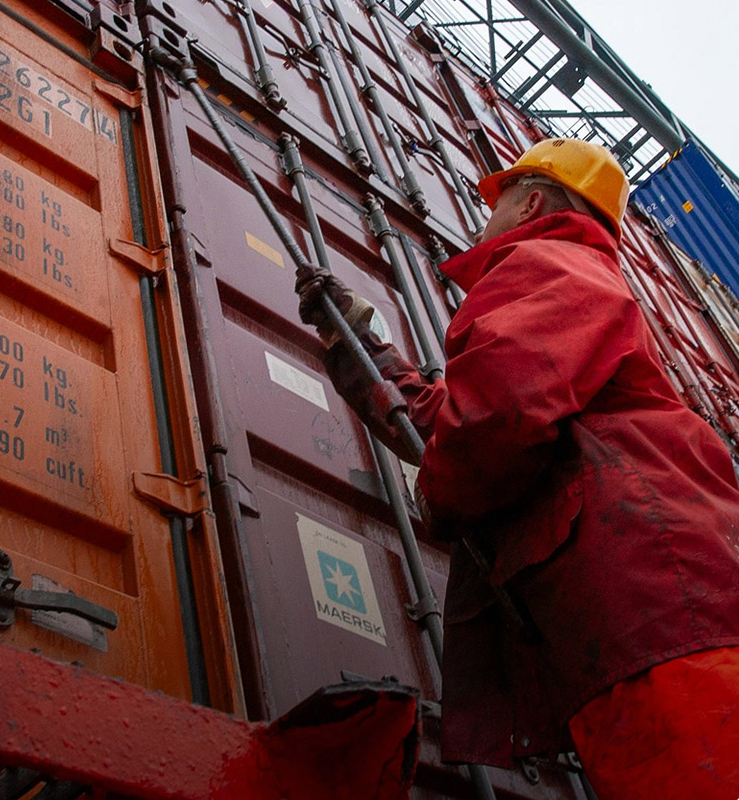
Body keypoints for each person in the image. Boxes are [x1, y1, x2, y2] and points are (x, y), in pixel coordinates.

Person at [295, 138, 739, 800]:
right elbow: (470, 419)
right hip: (653, 618)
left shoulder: (550, 261)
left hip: (663, 617)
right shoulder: (581, 285)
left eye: (496, 199)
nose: (485, 217)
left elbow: (497, 417)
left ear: (531, 201)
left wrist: (436, 498)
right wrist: (364, 350)